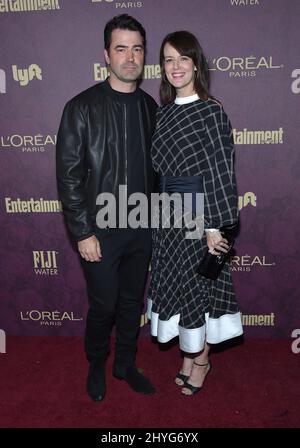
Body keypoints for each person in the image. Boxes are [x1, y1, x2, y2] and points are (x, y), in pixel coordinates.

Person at [56, 14, 157, 402]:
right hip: (99, 230)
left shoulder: (151, 107)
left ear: (143, 54)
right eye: (121, 49)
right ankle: (97, 362)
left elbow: (159, 172)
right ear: (106, 55)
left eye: (136, 49)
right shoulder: (81, 107)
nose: (130, 57)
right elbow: (68, 176)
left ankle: (125, 364)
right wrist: (82, 232)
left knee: (132, 302)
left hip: (141, 227)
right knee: (104, 304)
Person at [147, 31, 243, 396]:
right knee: (177, 286)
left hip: (200, 216)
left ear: (196, 64)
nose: (175, 67)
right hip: (166, 217)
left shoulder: (211, 111)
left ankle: (201, 359)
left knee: (197, 288)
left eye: (182, 59)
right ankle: (188, 354)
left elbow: (220, 170)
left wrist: (215, 226)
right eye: (168, 60)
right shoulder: (164, 113)